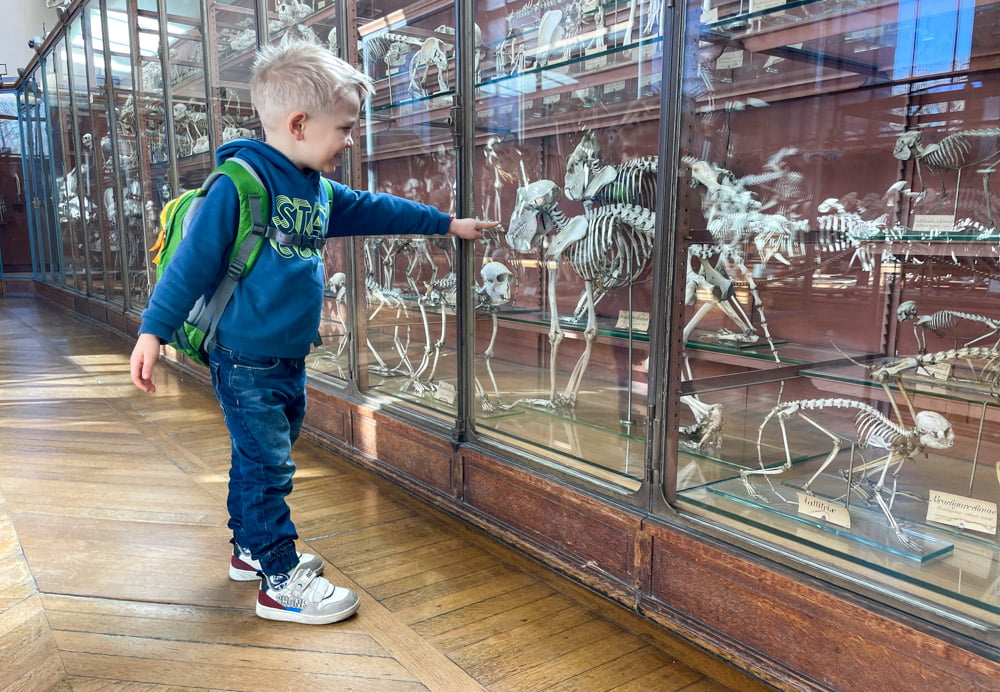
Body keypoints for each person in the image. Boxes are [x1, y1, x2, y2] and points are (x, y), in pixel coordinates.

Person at [129, 42, 495, 626]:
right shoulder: (239, 184)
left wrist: (446, 223)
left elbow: (377, 210)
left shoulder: (316, 190)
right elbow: (189, 265)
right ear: (299, 124)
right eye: (344, 128)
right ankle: (278, 580)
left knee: (260, 456)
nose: (349, 140)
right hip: (244, 356)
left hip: (287, 356)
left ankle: (249, 548)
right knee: (268, 464)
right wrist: (153, 332)